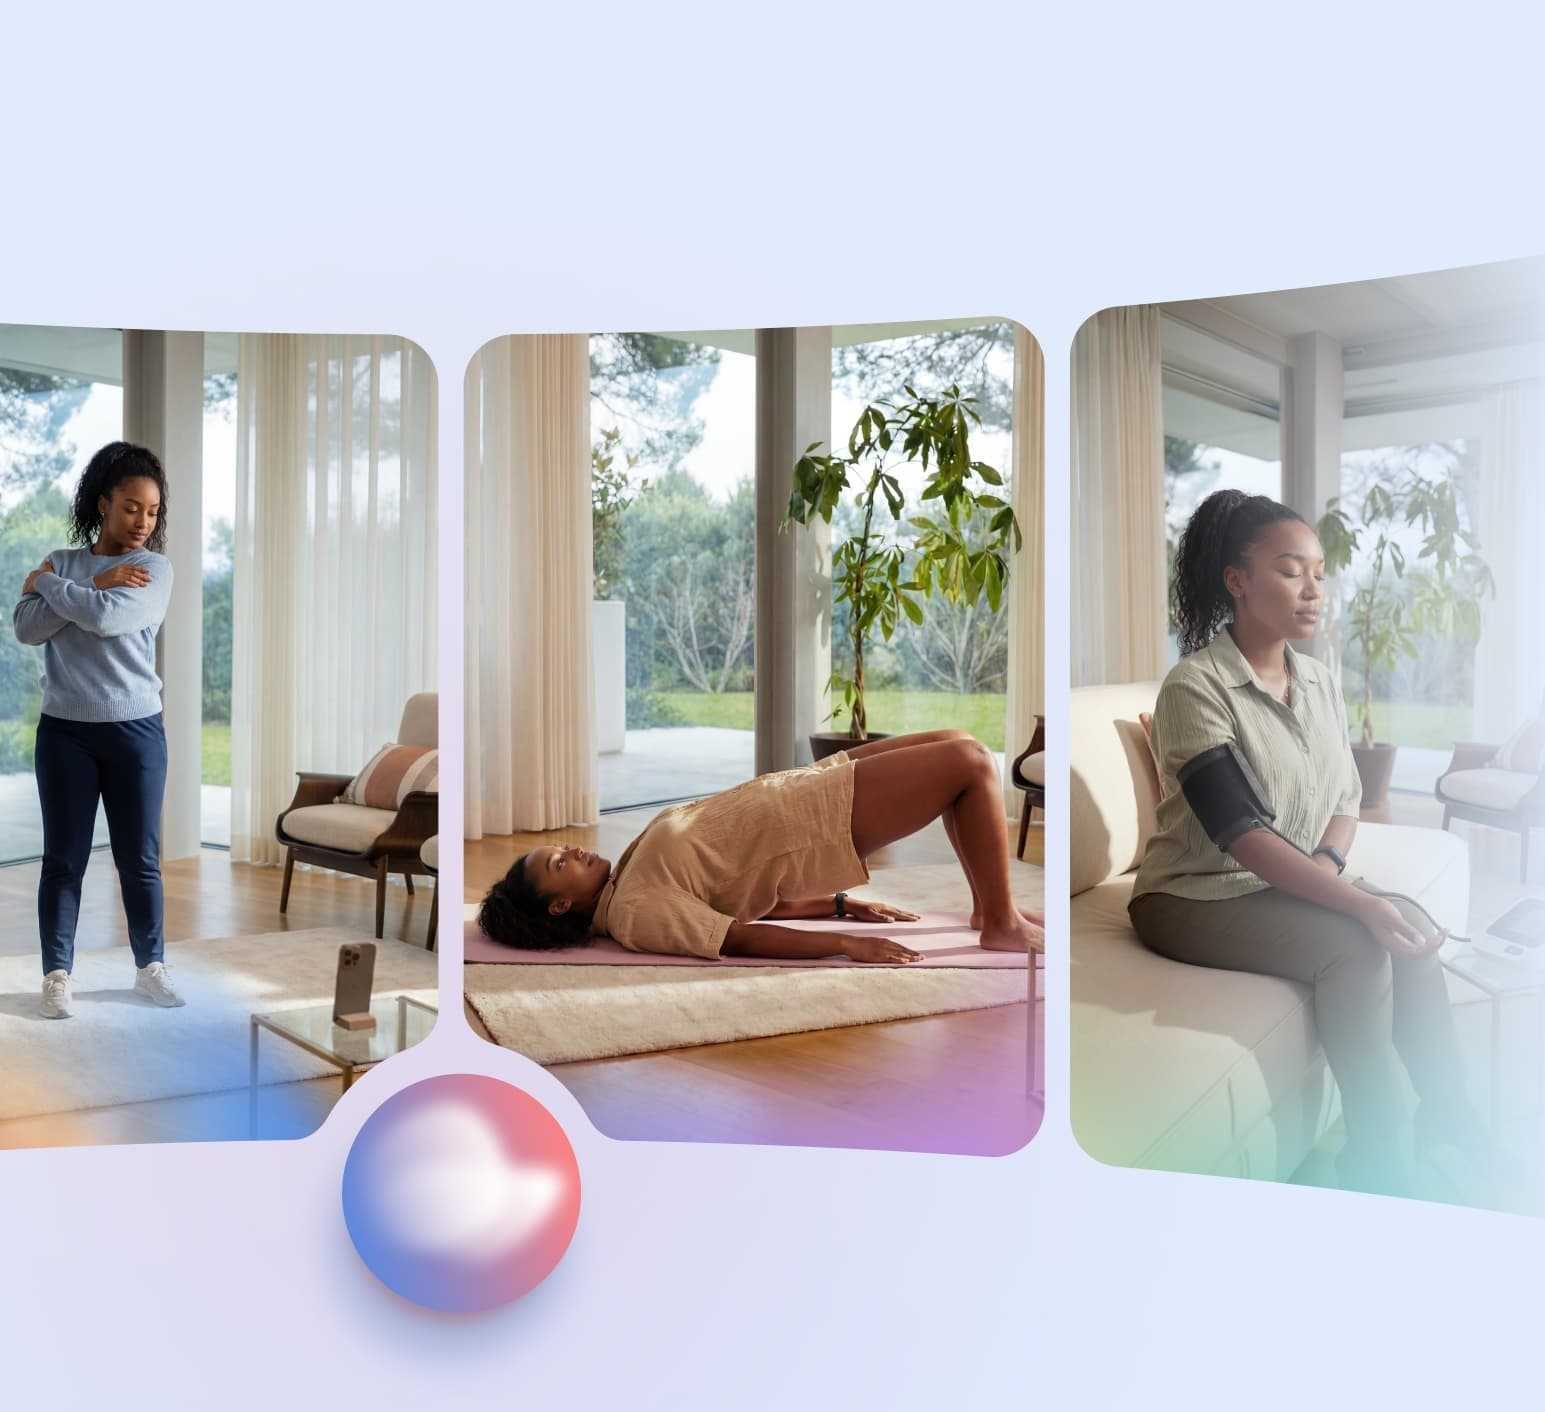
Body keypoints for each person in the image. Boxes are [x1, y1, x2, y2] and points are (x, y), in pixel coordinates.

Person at [1131, 488, 1485, 1199]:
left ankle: (1455, 1124)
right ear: (1239, 580)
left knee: (1407, 920)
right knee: (1355, 941)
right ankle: (1379, 1161)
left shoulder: (1318, 680)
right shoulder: (1195, 687)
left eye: (1319, 571)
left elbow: (1345, 799)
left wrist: (1329, 866)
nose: (1313, 588)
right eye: (1291, 570)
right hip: (1191, 894)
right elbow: (1242, 835)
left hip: (1283, 878)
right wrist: (1353, 901)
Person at [476, 728, 1041, 963]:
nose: (572, 852)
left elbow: (738, 898)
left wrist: (841, 904)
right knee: (968, 766)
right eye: (558, 864)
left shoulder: (624, 878)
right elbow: (736, 935)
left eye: (563, 850)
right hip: (817, 823)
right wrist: (843, 943)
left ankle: (990, 908)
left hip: (805, 789)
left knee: (959, 742)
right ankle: (999, 923)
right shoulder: (634, 913)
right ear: (558, 904)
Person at [13, 441, 186, 1019]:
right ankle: (57, 975)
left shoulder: (153, 570)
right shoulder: (64, 560)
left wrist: (47, 586)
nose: (143, 522)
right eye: (132, 507)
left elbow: (109, 620)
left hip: (136, 729)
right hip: (65, 732)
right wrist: (86, 585)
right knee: (63, 860)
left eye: (153, 511)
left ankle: (150, 968)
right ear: (105, 503)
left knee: (139, 859)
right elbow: (26, 630)